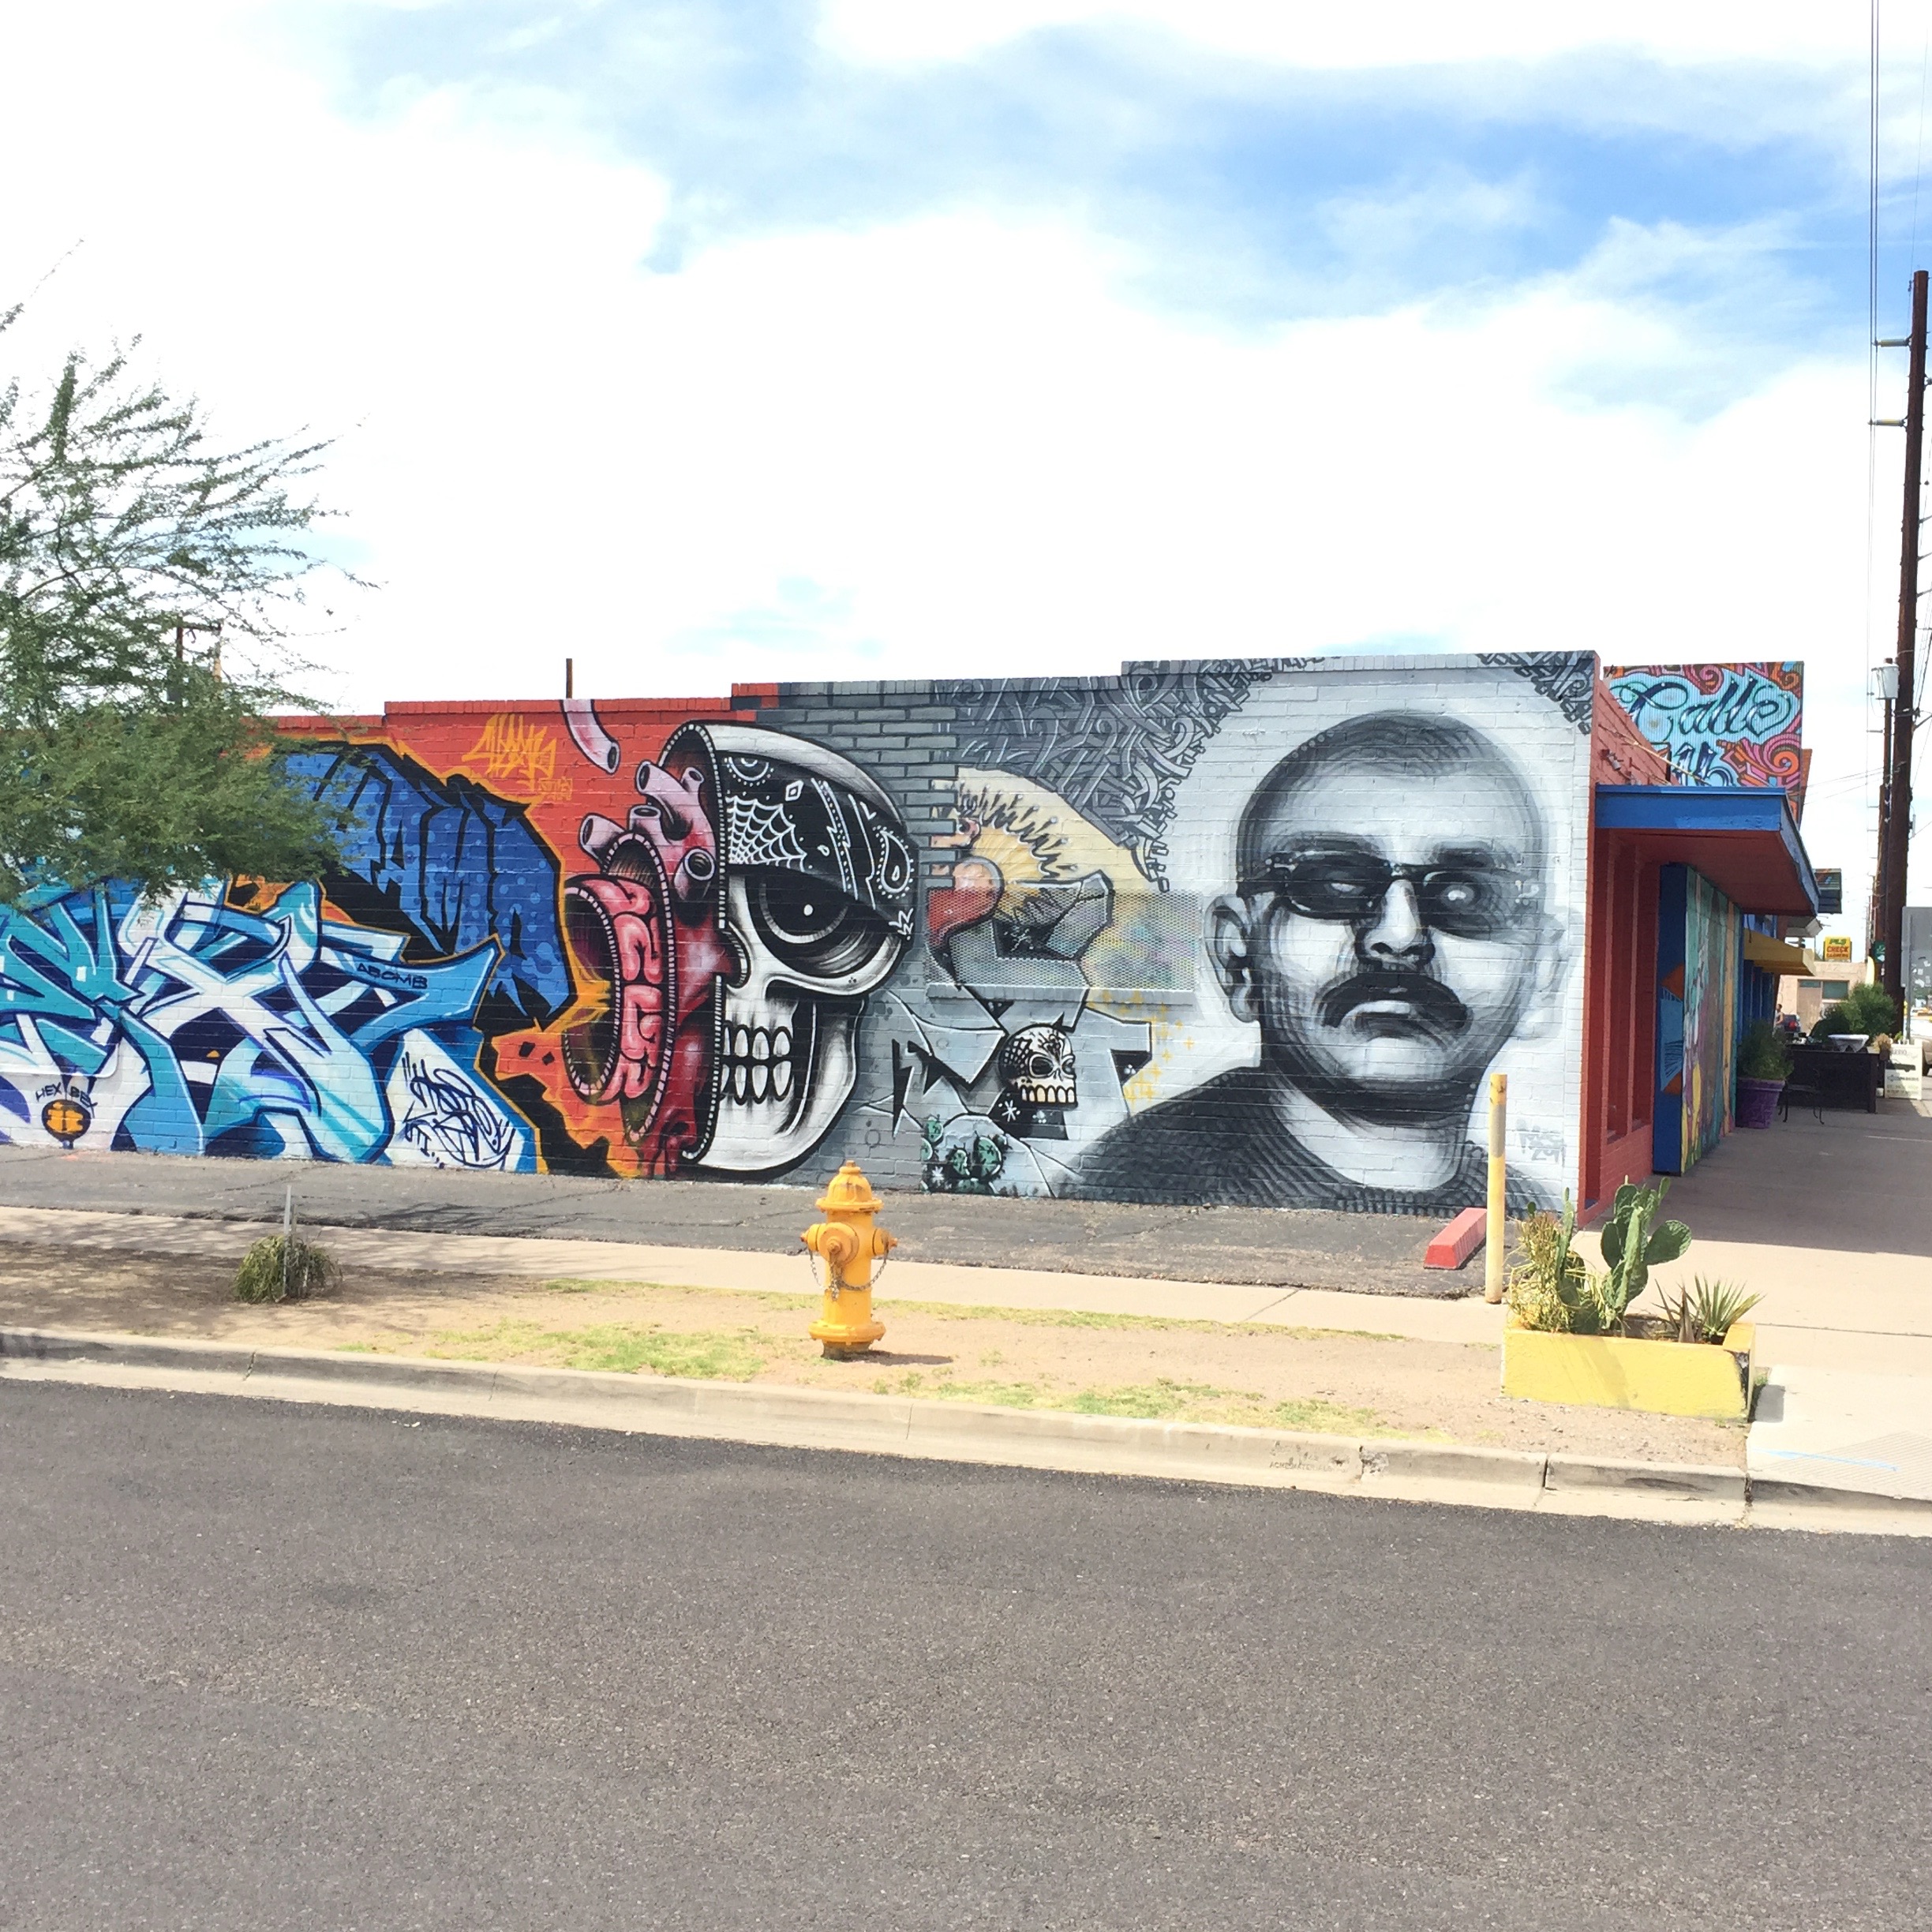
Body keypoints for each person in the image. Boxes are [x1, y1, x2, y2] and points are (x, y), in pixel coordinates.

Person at [1079, 710, 1564, 1213]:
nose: (1399, 936)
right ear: (1237, 958)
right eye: (1332, 884)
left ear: (1543, 974)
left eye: (1467, 895)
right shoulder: (1130, 1188)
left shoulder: (1534, 1214)